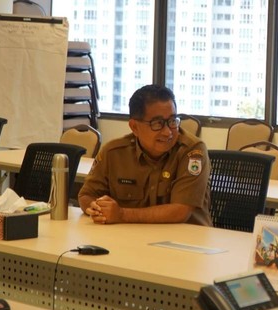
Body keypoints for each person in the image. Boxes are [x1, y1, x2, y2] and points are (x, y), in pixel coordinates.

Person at [79, 84, 212, 226]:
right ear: (134, 127)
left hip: (186, 241)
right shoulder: (114, 153)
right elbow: (86, 195)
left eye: (172, 121)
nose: (168, 132)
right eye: (157, 123)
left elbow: (180, 211)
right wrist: (98, 209)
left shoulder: (191, 151)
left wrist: (122, 214)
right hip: (133, 238)